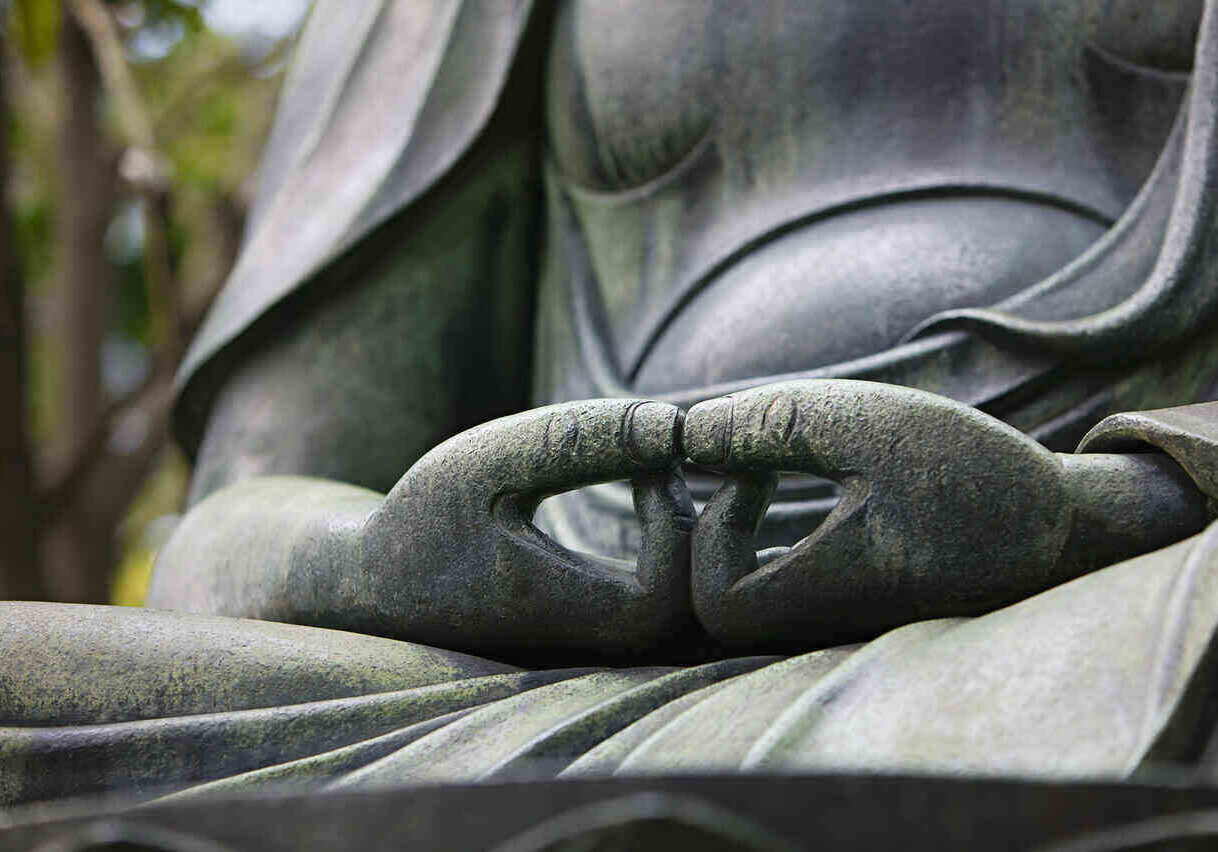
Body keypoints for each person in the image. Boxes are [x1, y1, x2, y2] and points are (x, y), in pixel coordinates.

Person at [8, 0, 1218, 806]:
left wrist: (1099, 504)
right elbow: (230, 529)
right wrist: (381, 560)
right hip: (549, 665)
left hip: (1138, 573)